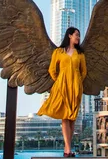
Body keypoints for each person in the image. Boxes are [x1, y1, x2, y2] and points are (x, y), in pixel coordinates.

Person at [38, 27, 87, 157]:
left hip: (76, 87)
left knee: (72, 118)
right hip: (62, 86)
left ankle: (68, 148)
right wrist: (60, 80)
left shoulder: (80, 54)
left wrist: (77, 81)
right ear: (69, 36)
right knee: (65, 116)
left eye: (79, 35)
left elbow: (84, 71)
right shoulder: (58, 52)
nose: (78, 37)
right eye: (76, 35)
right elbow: (52, 70)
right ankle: (68, 149)